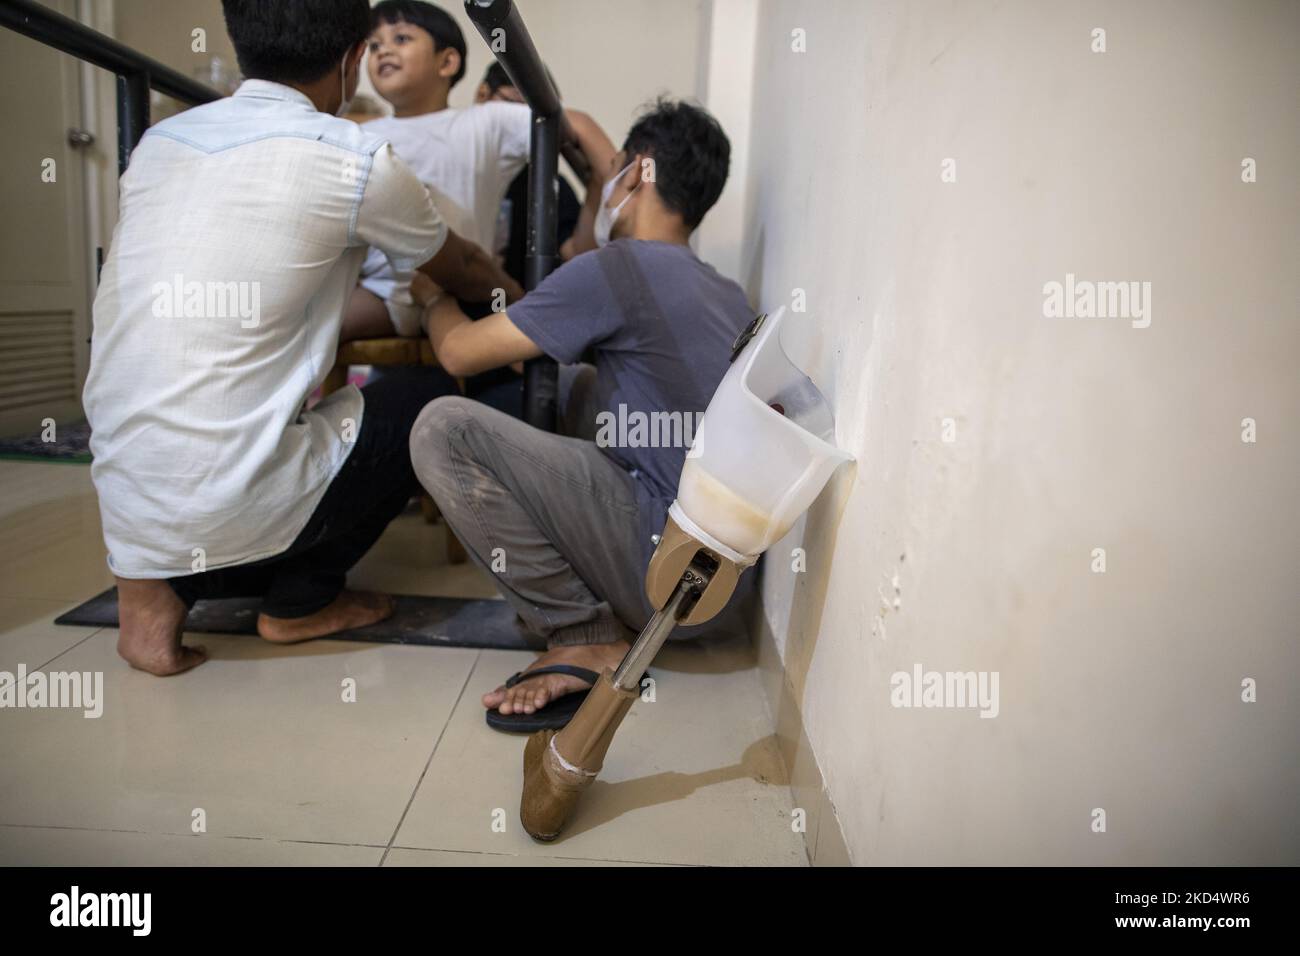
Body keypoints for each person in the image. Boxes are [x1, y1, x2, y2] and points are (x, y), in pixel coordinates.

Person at [82, 0, 518, 676]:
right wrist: (526, 303)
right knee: (430, 400)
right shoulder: (355, 153)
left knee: (195, 395)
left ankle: (147, 599)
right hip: (230, 509)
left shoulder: (158, 145)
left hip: (127, 509)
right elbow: (459, 266)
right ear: (352, 64)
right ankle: (301, 599)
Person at [408, 99, 756, 728]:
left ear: (637, 175)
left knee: (443, 429)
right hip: (721, 594)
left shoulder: (616, 268)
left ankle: (582, 631)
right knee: (580, 383)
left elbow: (459, 350)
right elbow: (538, 350)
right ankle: (596, 604)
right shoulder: (721, 290)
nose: (604, 186)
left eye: (611, 171)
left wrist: (432, 294)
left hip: (663, 577)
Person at [342, 0, 609, 345]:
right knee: (310, 325)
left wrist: (614, 180)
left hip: (457, 285)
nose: (384, 51)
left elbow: (570, 121)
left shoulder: (482, 123)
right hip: (381, 287)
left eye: (402, 39)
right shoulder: (362, 134)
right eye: (375, 45)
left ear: (447, 62)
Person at [474, 61, 583, 281]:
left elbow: (576, 256)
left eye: (533, 115)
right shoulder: (453, 166)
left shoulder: (552, 187)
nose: (526, 126)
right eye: (515, 107)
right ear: (482, 95)